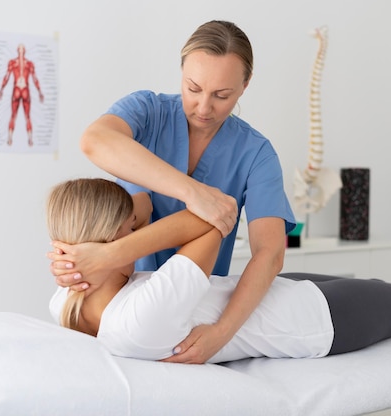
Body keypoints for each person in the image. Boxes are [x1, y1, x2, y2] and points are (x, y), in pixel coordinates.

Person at [47, 178, 391, 364]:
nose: (144, 228)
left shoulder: (67, 302)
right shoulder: (140, 315)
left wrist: (105, 252)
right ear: (112, 243)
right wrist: (112, 253)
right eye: (134, 228)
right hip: (315, 323)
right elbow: (215, 216)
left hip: (268, 293)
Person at [48, 20, 295, 364]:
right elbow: (94, 141)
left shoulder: (255, 154)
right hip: (125, 303)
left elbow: (270, 254)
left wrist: (221, 334)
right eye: (193, 88)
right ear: (181, 72)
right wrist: (194, 193)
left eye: (222, 96)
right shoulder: (147, 114)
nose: (204, 107)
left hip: (194, 306)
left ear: (245, 86)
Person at [0, 43, 44, 147]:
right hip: (24, 90)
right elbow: (34, 78)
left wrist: (1, 89)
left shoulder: (14, 63)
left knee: (15, 116)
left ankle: (11, 139)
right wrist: (39, 91)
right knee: (26, 117)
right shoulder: (27, 64)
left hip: (18, 89)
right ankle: (29, 140)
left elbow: (7, 76)